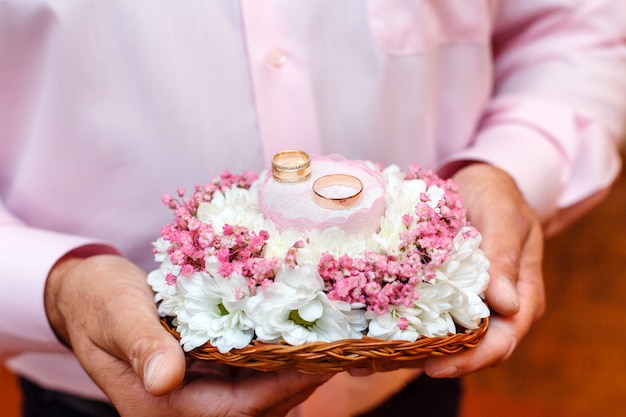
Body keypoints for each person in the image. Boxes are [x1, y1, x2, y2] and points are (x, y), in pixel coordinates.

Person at [1, 1, 625, 416]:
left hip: (410, 364)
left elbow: (578, 28)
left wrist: (512, 167)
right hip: (93, 389)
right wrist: (52, 282)